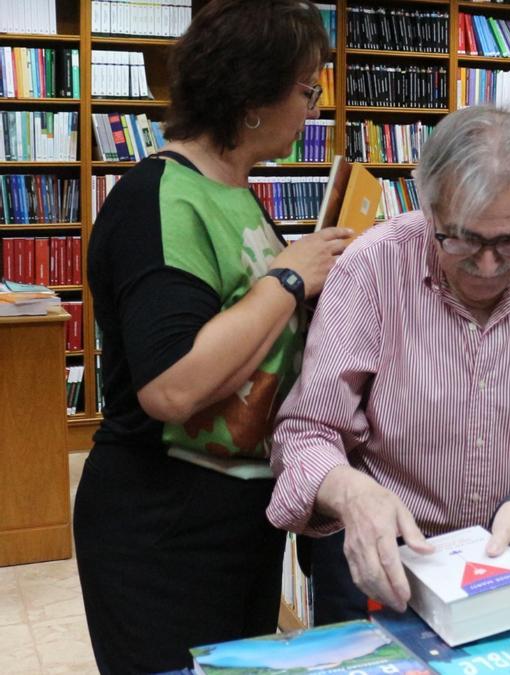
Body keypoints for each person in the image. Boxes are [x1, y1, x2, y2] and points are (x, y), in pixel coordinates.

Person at [73, 1, 353, 671]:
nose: (313, 109)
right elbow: (172, 386)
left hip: (237, 516)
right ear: (251, 95)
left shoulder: (233, 191)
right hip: (164, 525)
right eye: (306, 89)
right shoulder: (157, 199)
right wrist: (287, 280)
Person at [266, 105, 510, 623]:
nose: (486, 265)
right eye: (464, 238)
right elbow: (306, 431)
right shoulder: (371, 266)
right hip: (385, 559)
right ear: (429, 208)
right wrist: (350, 492)